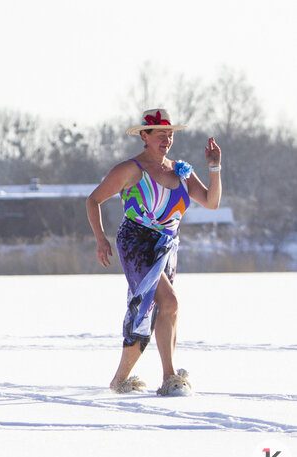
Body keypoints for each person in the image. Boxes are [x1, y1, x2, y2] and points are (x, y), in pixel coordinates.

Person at [86, 108, 222, 396]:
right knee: (167, 301)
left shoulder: (181, 170)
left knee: (159, 308)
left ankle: (121, 379)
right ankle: (170, 377)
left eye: (170, 134)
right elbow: (94, 200)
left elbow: (211, 202)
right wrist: (101, 238)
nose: (167, 139)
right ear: (144, 136)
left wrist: (214, 168)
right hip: (137, 242)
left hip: (167, 245)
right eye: (160, 133)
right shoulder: (130, 169)